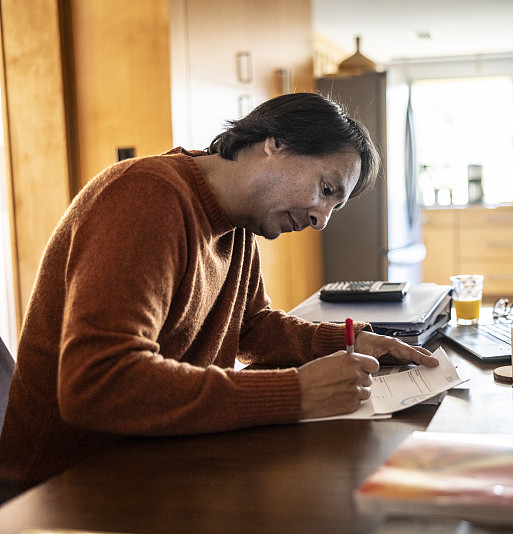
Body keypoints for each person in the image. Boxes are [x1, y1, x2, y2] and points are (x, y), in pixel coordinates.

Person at [0, 92, 438, 502]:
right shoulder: (146, 197)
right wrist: (296, 391)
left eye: (333, 208)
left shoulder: (239, 225)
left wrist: (348, 340)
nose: (320, 220)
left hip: (152, 461)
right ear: (275, 143)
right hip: (63, 490)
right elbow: (98, 383)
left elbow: (252, 327)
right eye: (326, 190)